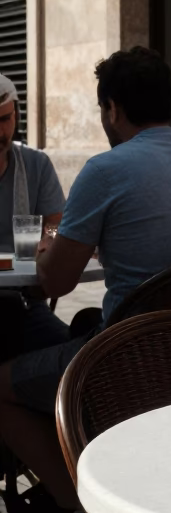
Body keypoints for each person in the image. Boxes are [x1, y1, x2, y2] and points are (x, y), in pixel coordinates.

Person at [0, 46, 171, 513]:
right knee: (73, 332)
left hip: (132, 358)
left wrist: (55, 249)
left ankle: (79, 505)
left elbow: (55, 280)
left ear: (112, 108)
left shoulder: (106, 170)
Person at [0, 73, 69, 355]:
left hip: (24, 300)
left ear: (16, 115)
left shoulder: (35, 165)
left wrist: (48, 241)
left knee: (75, 359)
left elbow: (56, 221)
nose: (0, 132)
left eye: (5, 120)